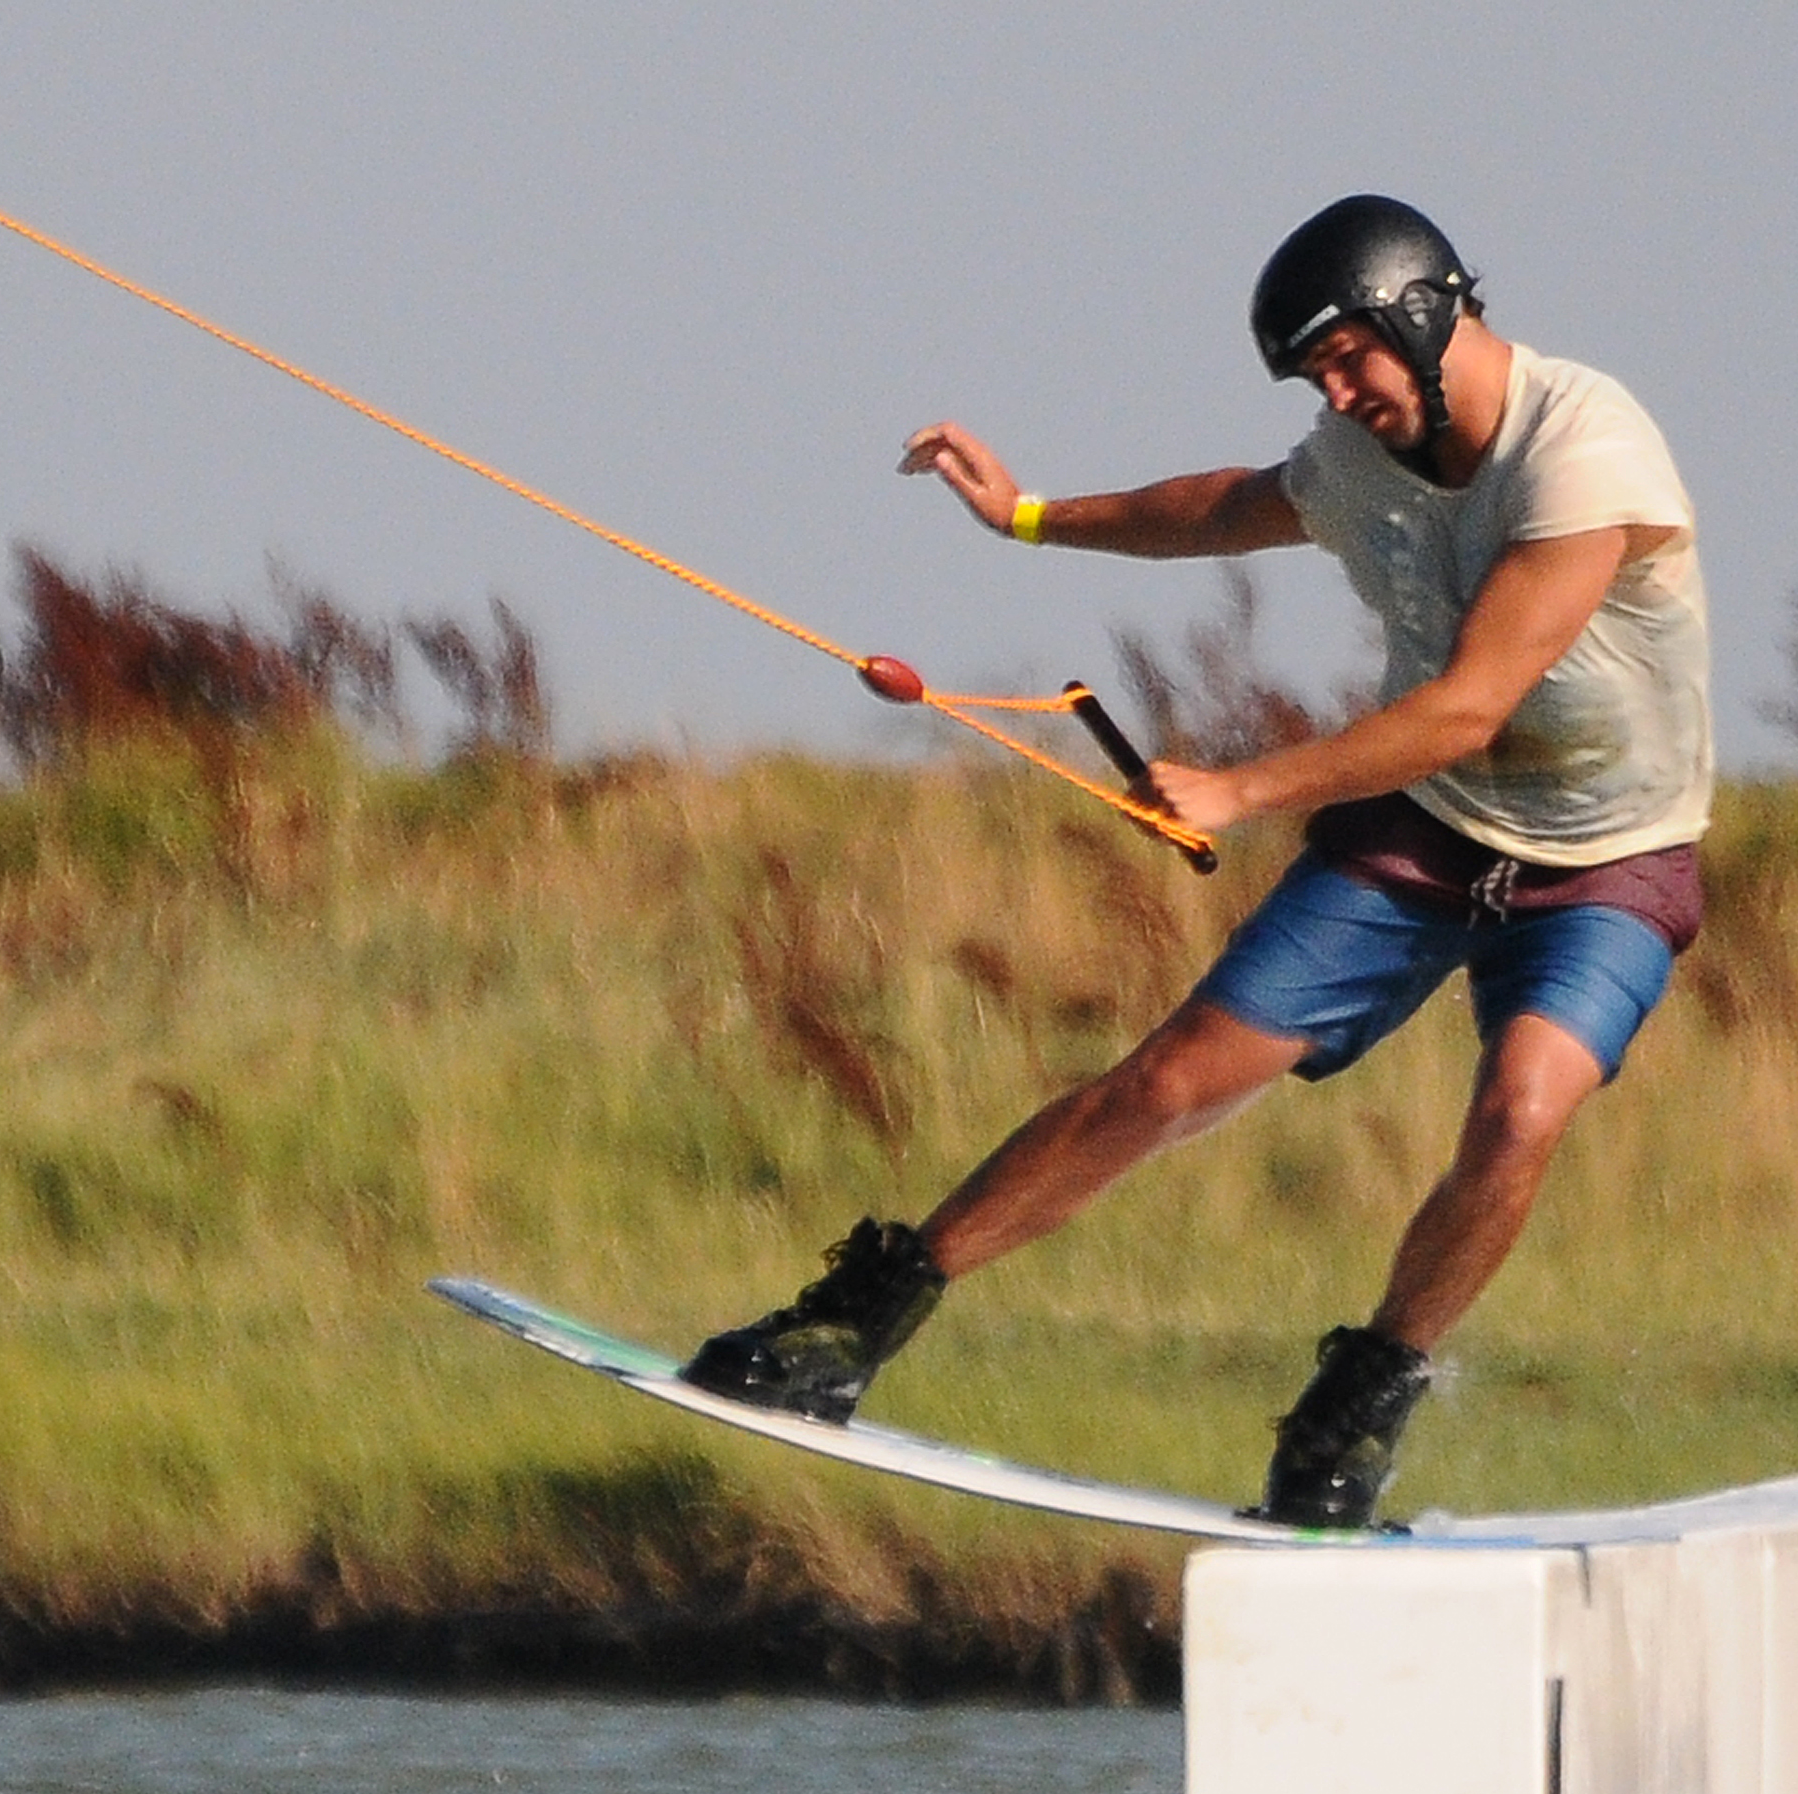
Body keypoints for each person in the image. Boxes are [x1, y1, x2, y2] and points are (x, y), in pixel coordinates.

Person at [686, 195, 1713, 1529]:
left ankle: (1357, 1413)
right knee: (1167, 1083)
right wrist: (1032, 517)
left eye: (1348, 359)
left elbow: (1470, 707)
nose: (1337, 398)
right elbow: (1228, 508)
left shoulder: (1585, 451)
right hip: (1427, 831)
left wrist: (1240, 788)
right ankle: (849, 1329)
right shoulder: (1360, 452)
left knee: (1521, 1112)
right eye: (1314, 378)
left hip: (1607, 864)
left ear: (1421, 310)